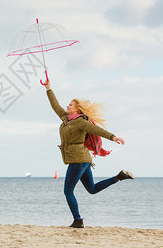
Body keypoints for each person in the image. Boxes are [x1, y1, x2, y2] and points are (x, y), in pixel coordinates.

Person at [44, 80, 134, 228]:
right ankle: (119, 177)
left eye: (70, 105)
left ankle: (77, 220)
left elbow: (97, 130)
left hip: (78, 159)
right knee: (92, 189)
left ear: (77, 110)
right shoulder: (66, 119)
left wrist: (113, 137)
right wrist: (48, 88)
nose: (67, 106)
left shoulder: (80, 122)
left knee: (68, 191)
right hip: (82, 159)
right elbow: (55, 106)